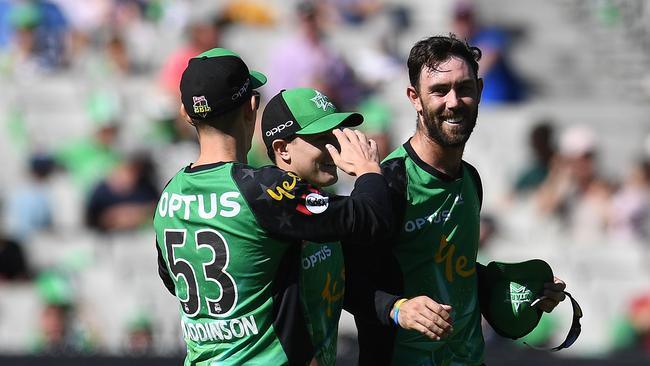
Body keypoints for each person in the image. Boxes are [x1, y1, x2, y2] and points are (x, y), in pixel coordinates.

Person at [153, 48, 395, 365]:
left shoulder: (170, 195)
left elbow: (174, 283)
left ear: (186, 112)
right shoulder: (261, 189)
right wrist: (368, 170)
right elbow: (369, 218)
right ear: (252, 107)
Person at [345, 35, 567, 365]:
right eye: (439, 90)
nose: (453, 101)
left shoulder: (470, 179)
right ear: (415, 98)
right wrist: (397, 309)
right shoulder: (390, 183)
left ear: (478, 90)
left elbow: (451, 271)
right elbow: (343, 278)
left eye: (463, 88)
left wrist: (522, 291)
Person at [261, 87, 445, 365]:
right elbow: (375, 220)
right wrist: (368, 170)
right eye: (321, 138)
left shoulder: (321, 209)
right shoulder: (274, 210)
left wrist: (397, 309)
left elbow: (347, 288)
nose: (334, 149)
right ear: (282, 149)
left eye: (337, 136)